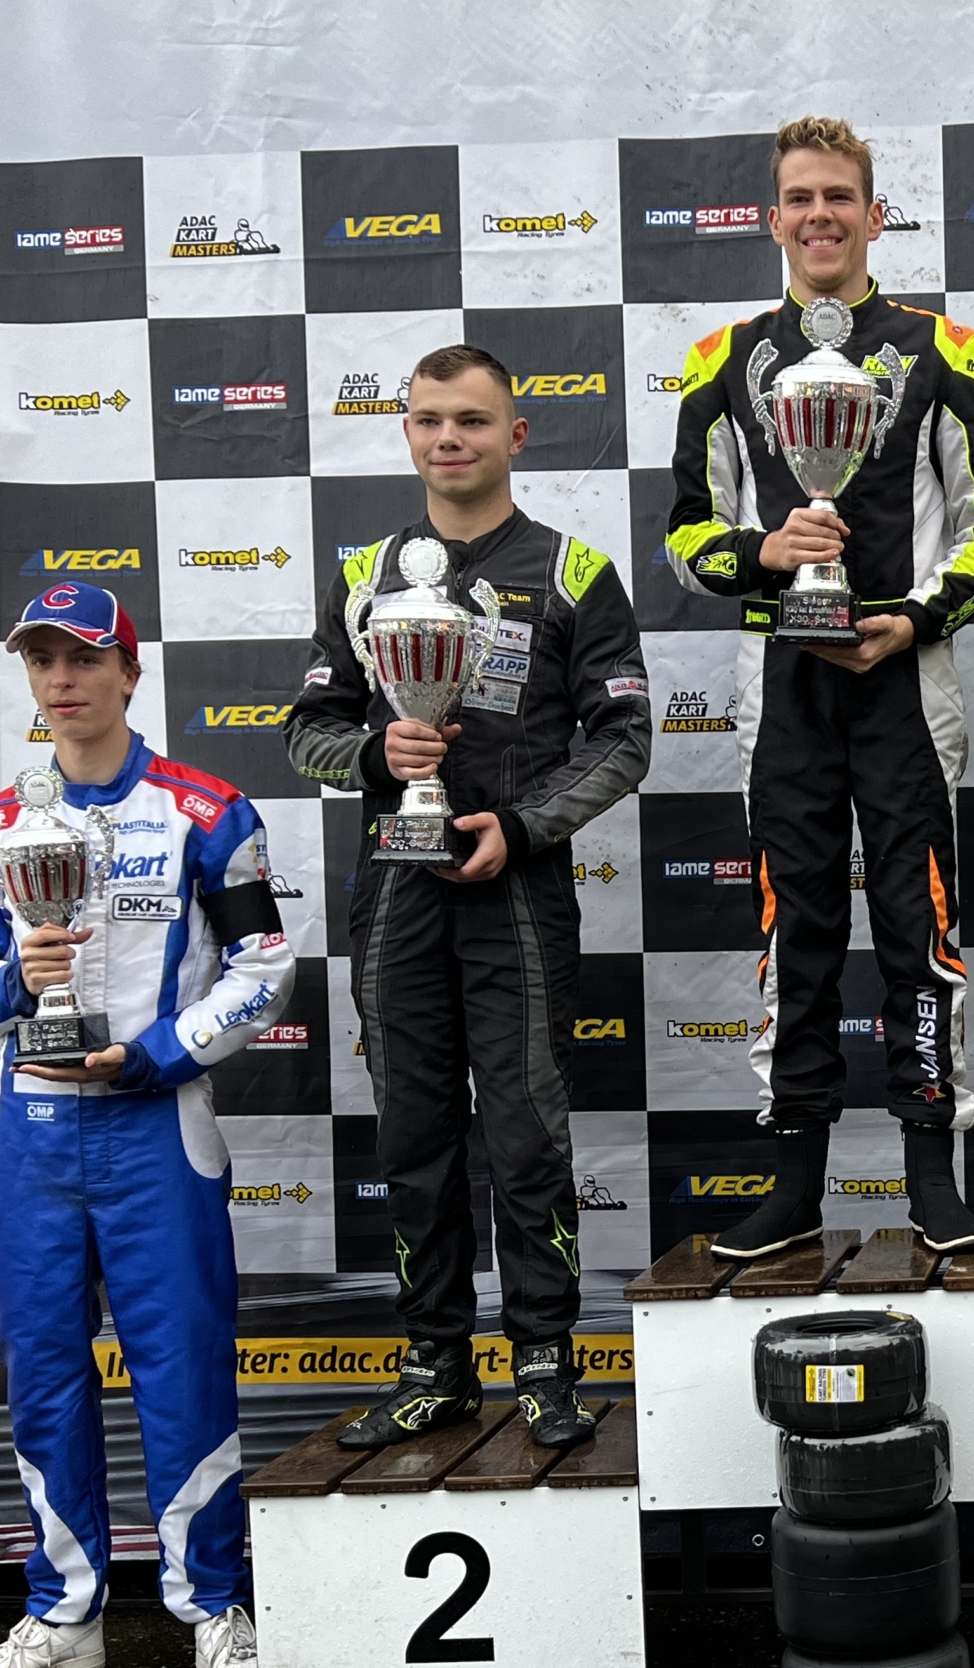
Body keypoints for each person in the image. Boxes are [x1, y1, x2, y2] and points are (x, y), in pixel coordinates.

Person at [666, 114, 974, 1261]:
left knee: (921, 923)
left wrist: (914, 619)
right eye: (800, 197)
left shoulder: (942, 348)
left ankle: (930, 1176)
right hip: (781, 681)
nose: (819, 215)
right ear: (773, 218)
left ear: (873, 216)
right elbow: (685, 535)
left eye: (838, 196)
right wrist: (765, 556)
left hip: (903, 678)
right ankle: (796, 1184)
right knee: (795, 926)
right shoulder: (722, 359)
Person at [0, 580, 293, 1668]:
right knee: (42, 1377)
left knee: (183, 1372)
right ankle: (62, 1616)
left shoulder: (207, 811)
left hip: (156, 1129)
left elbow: (265, 970)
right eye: (42, 661)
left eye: (84, 658)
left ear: (131, 672)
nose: (62, 680)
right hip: (31, 1141)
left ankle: (213, 1607)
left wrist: (152, 1056)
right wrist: (14, 980)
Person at [286, 344, 652, 1448]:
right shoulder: (365, 576)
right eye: (429, 419)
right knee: (414, 1135)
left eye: (473, 420)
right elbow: (305, 731)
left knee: (528, 1138)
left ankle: (544, 1363)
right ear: (406, 432)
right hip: (395, 898)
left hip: (518, 894)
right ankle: (434, 1363)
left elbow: (626, 738)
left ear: (514, 436)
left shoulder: (573, 571)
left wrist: (524, 826)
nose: (449, 439)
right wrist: (376, 755)